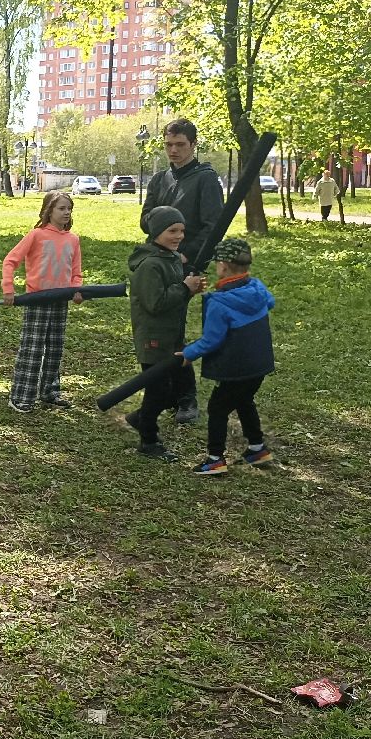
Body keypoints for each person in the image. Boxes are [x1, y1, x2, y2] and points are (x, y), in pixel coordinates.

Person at [139, 118, 224, 423]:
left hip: (186, 264)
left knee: (173, 332)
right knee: (156, 327)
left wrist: (187, 256)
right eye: (169, 145)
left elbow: (213, 227)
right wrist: (161, 231)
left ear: (193, 145)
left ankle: (186, 399)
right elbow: (145, 218)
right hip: (156, 263)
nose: (173, 150)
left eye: (180, 145)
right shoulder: (161, 179)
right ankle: (166, 393)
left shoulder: (206, 180)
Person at [179, 238, 277, 475]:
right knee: (244, 401)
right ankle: (257, 448)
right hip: (259, 365)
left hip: (236, 368)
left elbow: (212, 340)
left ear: (222, 266)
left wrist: (188, 353)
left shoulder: (219, 303)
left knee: (217, 408)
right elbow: (270, 302)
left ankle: (215, 458)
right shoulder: (258, 288)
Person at [126, 206, 206, 461]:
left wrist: (189, 289)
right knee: (159, 390)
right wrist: (184, 288)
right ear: (157, 232)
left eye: (182, 230)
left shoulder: (169, 258)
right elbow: (155, 304)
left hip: (171, 335)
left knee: (170, 389)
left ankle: (140, 417)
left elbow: (174, 297)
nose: (179, 236)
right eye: (172, 230)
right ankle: (148, 440)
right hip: (153, 338)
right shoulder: (150, 265)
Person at [1, 191, 84, 412]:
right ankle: (21, 396)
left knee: (55, 348)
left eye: (69, 209)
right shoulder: (36, 235)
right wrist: (8, 288)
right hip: (37, 300)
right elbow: (11, 261)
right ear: (49, 211)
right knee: (33, 349)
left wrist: (76, 290)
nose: (66, 212)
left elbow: (76, 272)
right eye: (61, 208)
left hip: (61, 301)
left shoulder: (73, 240)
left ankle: (49, 391)